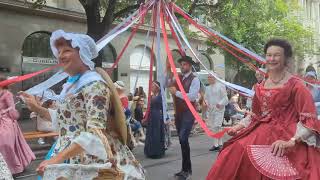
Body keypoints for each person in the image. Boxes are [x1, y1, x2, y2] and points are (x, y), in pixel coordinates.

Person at [20, 30, 145, 179]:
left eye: (67, 50)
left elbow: (95, 134)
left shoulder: (95, 85)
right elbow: (66, 121)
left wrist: (55, 159)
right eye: (59, 51)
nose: (60, 55)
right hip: (68, 150)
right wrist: (36, 108)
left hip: (89, 157)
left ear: (83, 54)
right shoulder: (72, 85)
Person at [207, 39, 320, 179]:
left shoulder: (297, 86)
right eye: (269, 55)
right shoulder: (261, 86)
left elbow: (309, 119)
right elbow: (255, 114)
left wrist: (291, 140)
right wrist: (239, 126)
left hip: (288, 135)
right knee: (233, 152)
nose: (272, 59)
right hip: (260, 132)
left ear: (286, 58)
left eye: (277, 55)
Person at [168, 55, 200, 180]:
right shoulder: (178, 78)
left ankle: (187, 170)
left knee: (182, 137)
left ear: (190, 66)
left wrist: (176, 92)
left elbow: (192, 97)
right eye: (181, 64)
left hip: (188, 112)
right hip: (179, 113)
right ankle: (185, 169)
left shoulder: (195, 79)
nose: (182, 66)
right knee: (182, 141)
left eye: (185, 64)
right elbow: (168, 83)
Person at [0, 75, 36, 175]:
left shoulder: (7, 94)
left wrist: (8, 113)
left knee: (6, 144)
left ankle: (13, 167)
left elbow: (12, 109)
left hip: (6, 121)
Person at [203, 73, 228, 151]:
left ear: (215, 78)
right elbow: (206, 98)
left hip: (219, 110)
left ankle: (217, 144)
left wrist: (220, 103)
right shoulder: (207, 88)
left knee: (217, 126)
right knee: (214, 127)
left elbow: (225, 98)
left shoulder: (221, 86)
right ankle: (218, 144)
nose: (209, 79)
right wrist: (206, 103)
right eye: (208, 77)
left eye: (211, 77)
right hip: (211, 110)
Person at [144, 81, 165, 158]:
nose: (151, 87)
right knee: (150, 133)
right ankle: (150, 151)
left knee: (156, 133)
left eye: (153, 86)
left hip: (157, 116)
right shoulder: (152, 96)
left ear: (157, 87)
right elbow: (149, 108)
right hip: (151, 116)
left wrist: (165, 117)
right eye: (151, 86)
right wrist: (146, 117)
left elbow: (163, 107)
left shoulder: (160, 96)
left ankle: (157, 152)